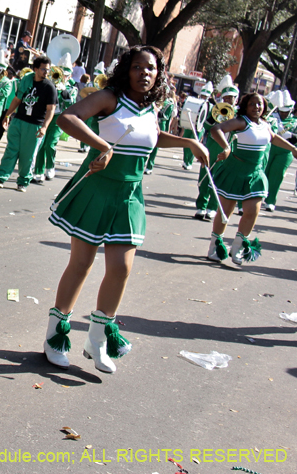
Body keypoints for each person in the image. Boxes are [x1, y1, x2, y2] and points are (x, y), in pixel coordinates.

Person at [44, 46, 209, 373]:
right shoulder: (110, 97)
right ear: (127, 70)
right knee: (82, 263)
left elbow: (153, 138)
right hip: (99, 187)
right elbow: (67, 117)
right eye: (137, 67)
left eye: (150, 68)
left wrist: (189, 143)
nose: (143, 73)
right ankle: (55, 336)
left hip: (130, 194)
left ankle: (97, 339)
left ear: (158, 73)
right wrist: (102, 145)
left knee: (120, 268)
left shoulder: (153, 107)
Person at [206, 92, 297, 265]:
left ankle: (238, 248)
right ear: (246, 106)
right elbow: (216, 129)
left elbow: (274, 138)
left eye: (260, 104)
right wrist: (226, 147)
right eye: (253, 104)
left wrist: (292, 148)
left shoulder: (264, 124)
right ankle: (215, 246)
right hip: (235, 170)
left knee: (252, 211)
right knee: (226, 212)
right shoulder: (241, 122)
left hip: (255, 173)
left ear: (264, 107)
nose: (257, 107)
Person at [0, 56, 57, 191]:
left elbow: (51, 109)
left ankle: (23, 181)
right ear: (35, 69)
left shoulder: (49, 87)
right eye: (43, 69)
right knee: (11, 150)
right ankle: (0, 177)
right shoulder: (26, 80)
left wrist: (44, 127)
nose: (46, 72)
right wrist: (7, 115)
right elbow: (17, 99)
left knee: (28, 156)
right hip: (19, 120)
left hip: (35, 125)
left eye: (48, 70)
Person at [193, 75, 238, 219]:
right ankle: (201, 206)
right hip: (211, 147)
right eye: (226, 98)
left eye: (231, 97)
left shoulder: (238, 114)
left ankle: (212, 207)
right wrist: (213, 117)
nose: (228, 100)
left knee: (218, 180)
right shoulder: (214, 110)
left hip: (226, 150)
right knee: (205, 176)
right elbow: (204, 125)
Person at [34, 55, 77, 182]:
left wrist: (65, 93)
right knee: (41, 144)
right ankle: (39, 171)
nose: (62, 77)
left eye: (65, 74)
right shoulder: (48, 84)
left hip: (59, 119)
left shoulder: (71, 89)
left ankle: (50, 167)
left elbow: (71, 105)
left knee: (50, 144)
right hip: (46, 117)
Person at [263, 89, 296, 212]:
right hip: (270, 148)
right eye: (281, 111)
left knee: (276, 175)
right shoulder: (273, 117)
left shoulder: (294, 122)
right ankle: (260, 195)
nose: (283, 114)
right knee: (264, 172)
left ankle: (270, 201)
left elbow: (295, 139)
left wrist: (289, 135)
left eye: (286, 112)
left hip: (285, 152)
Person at [181, 82, 213, 169]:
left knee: (195, 145)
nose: (204, 98)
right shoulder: (194, 102)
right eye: (202, 95)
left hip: (199, 128)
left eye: (206, 96)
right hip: (190, 125)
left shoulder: (211, 107)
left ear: (209, 96)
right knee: (186, 144)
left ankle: (189, 162)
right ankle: (185, 160)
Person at [144, 95, 176, 174]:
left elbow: (167, 117)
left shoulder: (169, 103)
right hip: (150, 122)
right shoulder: (151, 99)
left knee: (155, 146)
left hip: (161, 124)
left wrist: (158, 112)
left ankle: (149, 166)